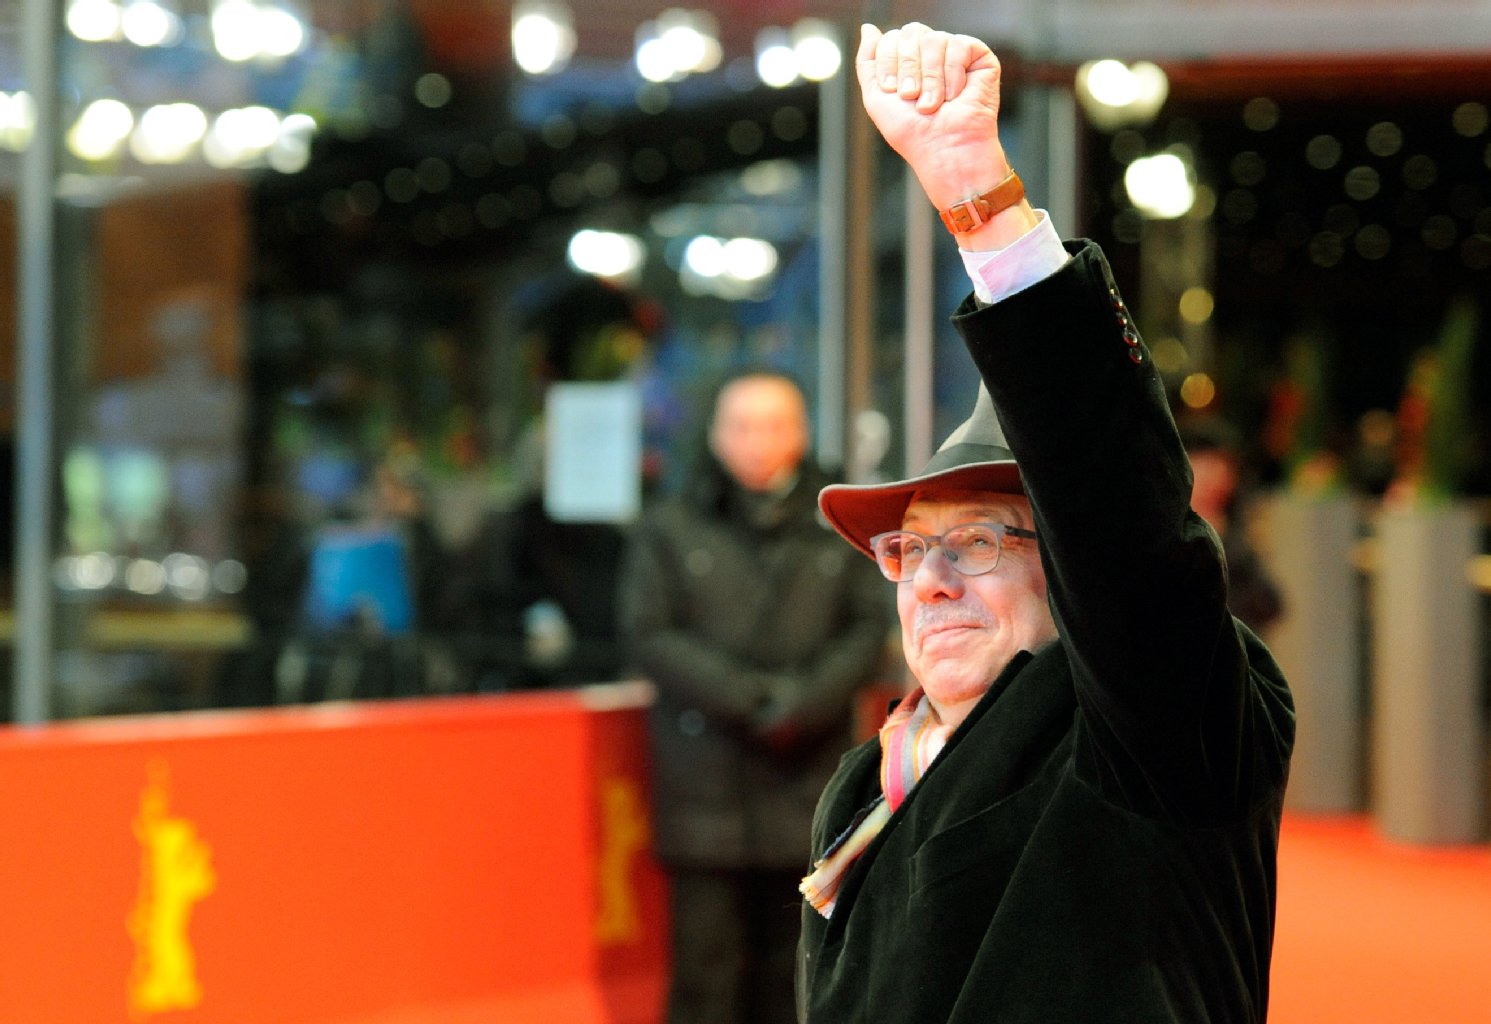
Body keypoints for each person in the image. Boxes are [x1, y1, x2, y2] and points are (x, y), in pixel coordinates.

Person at [795, 23, 1295, 1023]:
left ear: (1065, 563)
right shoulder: (866, 779)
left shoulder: (1156, 723)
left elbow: (1120, 515)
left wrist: (978, 198)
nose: (930, 579)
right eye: (908, 548)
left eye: (976, 539)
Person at [618, 367, 891, 1024]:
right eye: (741, 425)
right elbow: (647, 632)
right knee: (703, 979)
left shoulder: (839, 518)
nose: (757, 442)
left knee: (796, 978)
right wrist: (749, 699)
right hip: (701, 784)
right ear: (714, 435)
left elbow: (867, 627)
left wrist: (803, 701)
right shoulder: (670, 524)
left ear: (800, 433)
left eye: (774, 425)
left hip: (809, 779)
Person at [1181, 418, 1284, 633]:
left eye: (1225, 467)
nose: (1218, 478)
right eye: (1207, 466)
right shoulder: (1166, 531)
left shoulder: (1235, 528)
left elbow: (1270, 604)